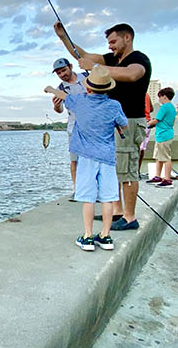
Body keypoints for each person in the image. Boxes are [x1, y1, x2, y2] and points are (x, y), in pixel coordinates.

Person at [54, 21, 151, 231]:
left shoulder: (138, 59)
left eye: (113, 41)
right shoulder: (112, 59)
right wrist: (64, 37)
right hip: (111, 125)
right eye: (108, 43)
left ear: (128, 38)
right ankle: (116, 212)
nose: (110, 46)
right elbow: (83, 56)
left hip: (130, 121)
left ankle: (129, 217)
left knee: (127, 171)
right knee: (113, 168)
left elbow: (132, 74)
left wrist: (97, 69)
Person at [45, 65, 127, 251]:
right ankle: (106, 237)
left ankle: (88, 236)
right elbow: (124, 124)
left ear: (88, 87)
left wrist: (50, 90)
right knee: (108, 198)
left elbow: (65, 98)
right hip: (107, 157)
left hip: (86, 158)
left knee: (88, 198)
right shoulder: (114, 105)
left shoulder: (79, 101)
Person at [50, 57, 88, 192]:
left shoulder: (87, 76)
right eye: (59, 73)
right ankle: (76, 189)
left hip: (93, 127)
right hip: (74, 128)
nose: (62, 75)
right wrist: (56, 106)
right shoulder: (59, 89)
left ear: (71, 66)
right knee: (75, 160)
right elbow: (59, 111)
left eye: (64, 70)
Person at [145, 87, 177, 187]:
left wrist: (146, 124)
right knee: (158, 157)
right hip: (164, 134)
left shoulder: (164, 107)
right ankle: (157, 176)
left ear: (164, 96)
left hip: (163, 135)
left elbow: (156, 120)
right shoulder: (172, 107)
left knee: (166, 158)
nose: (159, 99)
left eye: (160, 97)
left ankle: (167, 179)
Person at [138, 92, 153, 173]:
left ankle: (135, 171)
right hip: (147, 121)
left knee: (137, 147)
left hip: (140, 121)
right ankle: (138, 170)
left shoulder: (137, 94)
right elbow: (151, 108)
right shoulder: (147, 94)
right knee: (142, 148)